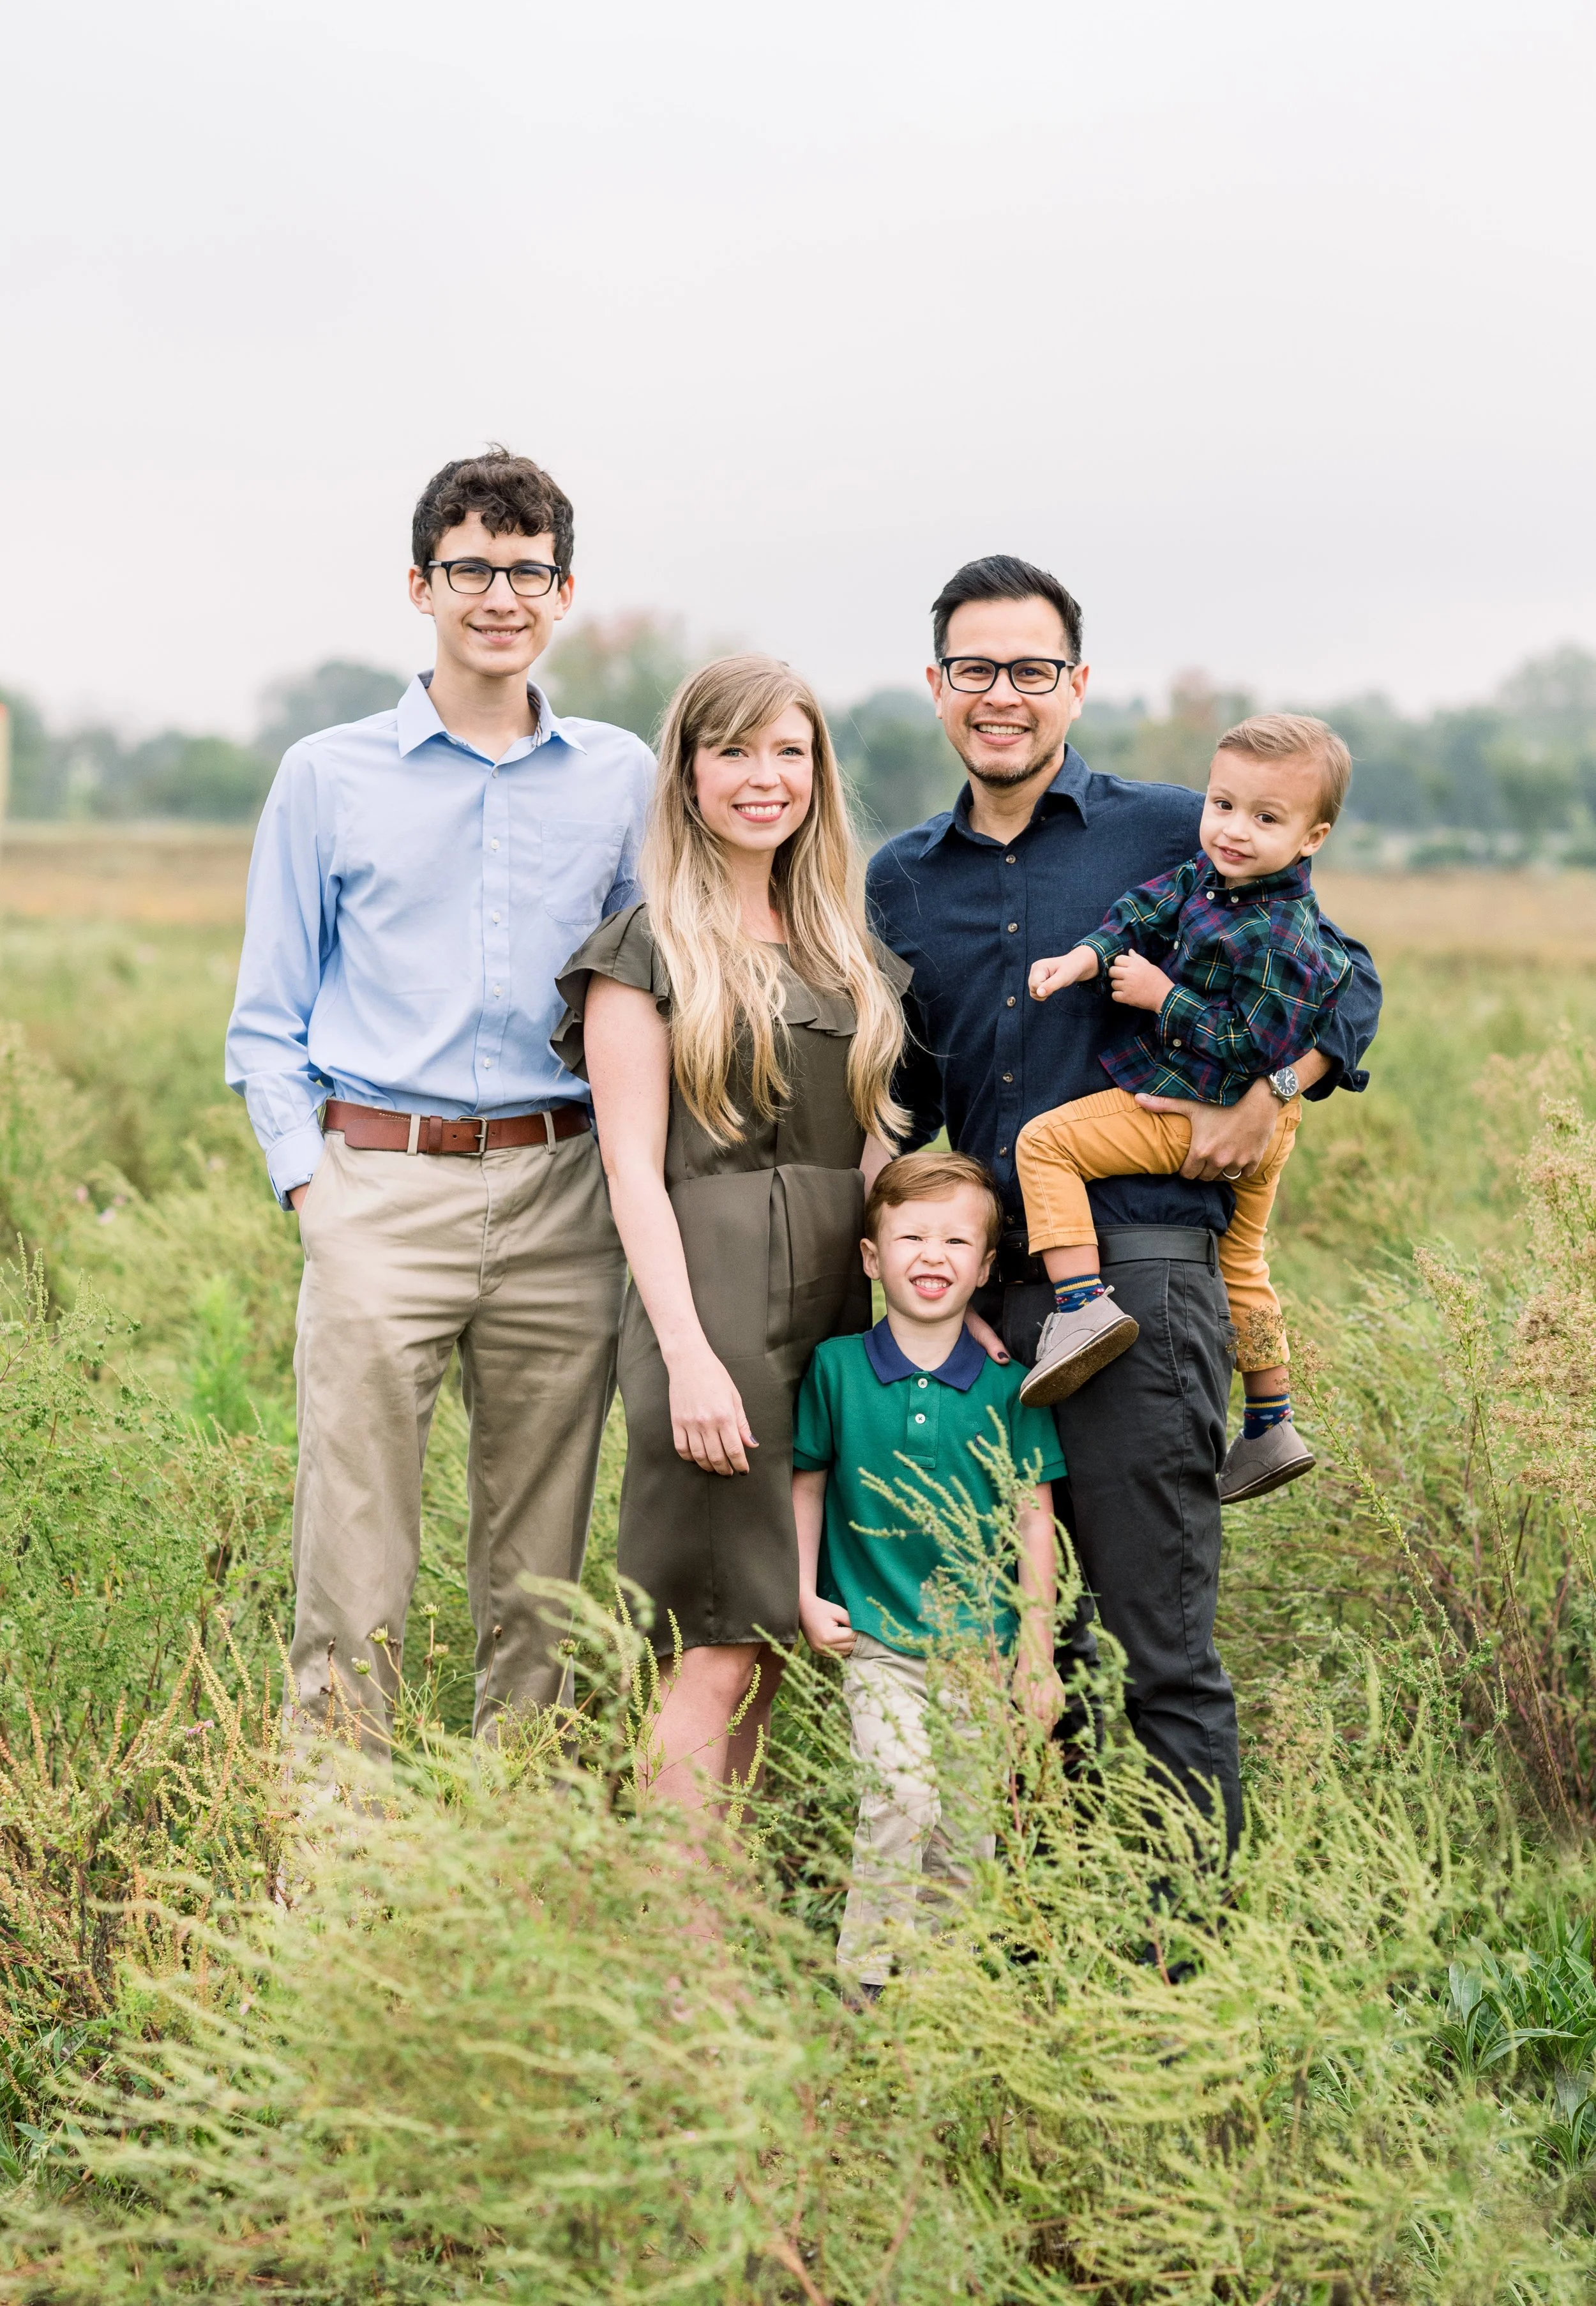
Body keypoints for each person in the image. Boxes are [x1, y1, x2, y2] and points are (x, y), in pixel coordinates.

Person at [866, 556, 1381, 1853]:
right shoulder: (899, 880)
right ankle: (1052, 1947)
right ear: (936, 687)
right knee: (1024, 1644)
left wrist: (1278, 1085)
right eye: (974, 670)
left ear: (1074, 685)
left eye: (1029, 670)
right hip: (980, 1309)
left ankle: (1180, 1965)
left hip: (1141, 1278)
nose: (1002, 696)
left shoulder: (1173, 830)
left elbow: (1346, 975)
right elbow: (911, 1085)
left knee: (1157, 1648)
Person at [226, 448, 654, 1746]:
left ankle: (509, 1845)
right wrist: (314, 1185)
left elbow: (653, 979)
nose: (500, 596)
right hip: (377, 1188)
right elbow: (266, 1016)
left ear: (563, 594)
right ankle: (340, 1868)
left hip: (561, 1189)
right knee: (351, 1557)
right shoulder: (325, 774)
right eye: (472, 568)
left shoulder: (620, 775)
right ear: (422, 585)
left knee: (539, 1568)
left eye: (528, 572)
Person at [553, 654, 909, 1810]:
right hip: (709, 1319)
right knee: (711, 1640)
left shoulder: (846, 952)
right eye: (736, 751)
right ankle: (676, 1969)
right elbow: (630, 1173)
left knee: (764, 1644)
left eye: (791, 752)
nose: (768, 778)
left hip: (828, 1322)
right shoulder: (644, 950)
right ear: (688, 772)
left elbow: (873, 1156)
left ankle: (718, 1937)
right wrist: (692, 1358)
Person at [1014, 712, 1355, 1502]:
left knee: (1047, 1145)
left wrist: (1163, 997)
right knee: (1242, 1261)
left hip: (1211, 1107)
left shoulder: (1281, 934)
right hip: (1256, 1112)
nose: (1233, 831)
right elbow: (1142, 910)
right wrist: (1082, 958)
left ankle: (1080, 1305)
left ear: (1313, 837)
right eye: (1222, 805)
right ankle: (1271, 1420)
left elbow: (1248, 1046)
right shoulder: (1210, 880)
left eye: (1265, 819)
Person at [793, 1150, 1066, 1994]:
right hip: (878, 1642)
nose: (932, 1255)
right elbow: (806, 1483)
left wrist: (1038, 1652)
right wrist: (804, 1593)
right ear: (872, 1257)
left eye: (956, 1240)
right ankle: (867, 1987)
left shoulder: (1007, 1387)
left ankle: (944, 1997)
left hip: (979, 1653)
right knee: (902, 1799)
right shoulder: (837, 1369)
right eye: (910, 1235)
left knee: (968, 1829)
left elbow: (1034, 1518)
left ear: (987, 1268)